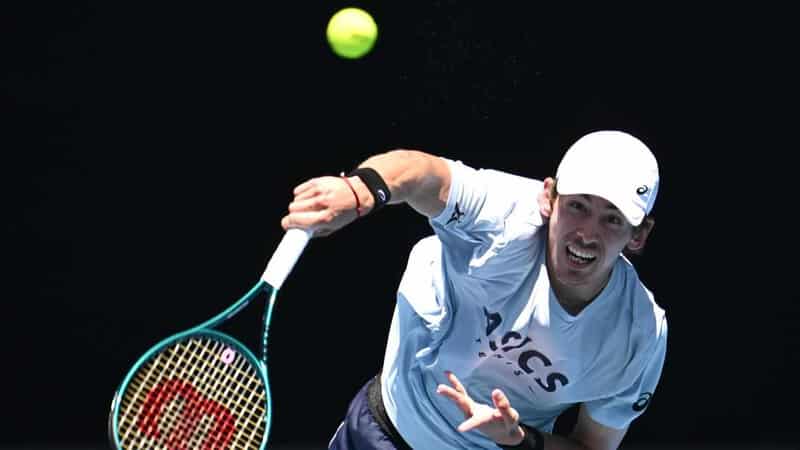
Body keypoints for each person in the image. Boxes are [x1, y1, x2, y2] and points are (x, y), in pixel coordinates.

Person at [281, 130, 667, 450]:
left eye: (612, 219)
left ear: (639, 234)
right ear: (548, 198)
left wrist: (521, 440)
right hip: (387, 431)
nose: (587, 233)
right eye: (578, 206)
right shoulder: (504, 215)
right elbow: (421, 172)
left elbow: (591, 447)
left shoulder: (639, 334)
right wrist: (360, 191)